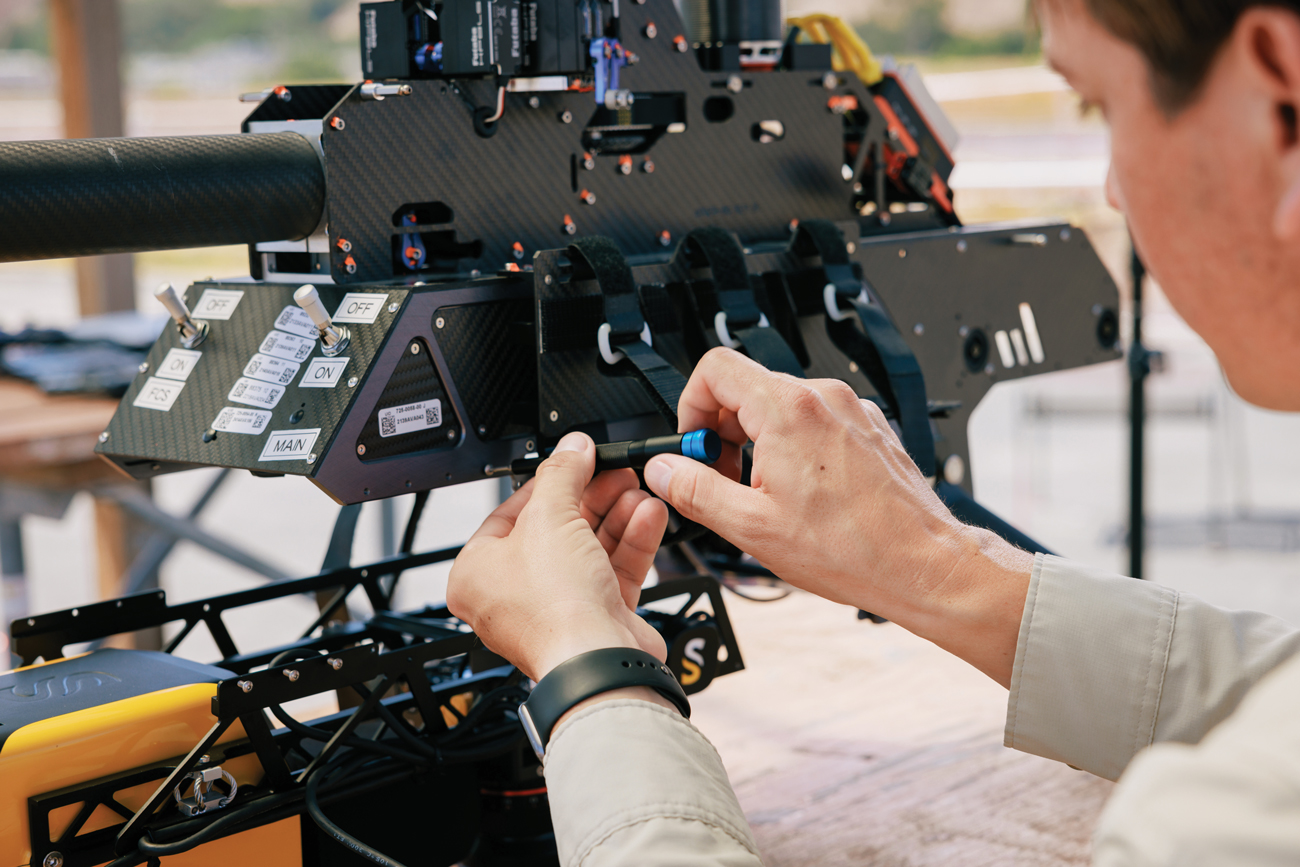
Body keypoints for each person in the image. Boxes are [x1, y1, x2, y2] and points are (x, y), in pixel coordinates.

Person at [447, 0, 1300, 863]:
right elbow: (1272, 693)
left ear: (1284, 101)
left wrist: (589, 668)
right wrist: (937, 566)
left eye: (1099, 106)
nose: (1114, 189)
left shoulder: (1228, 820)